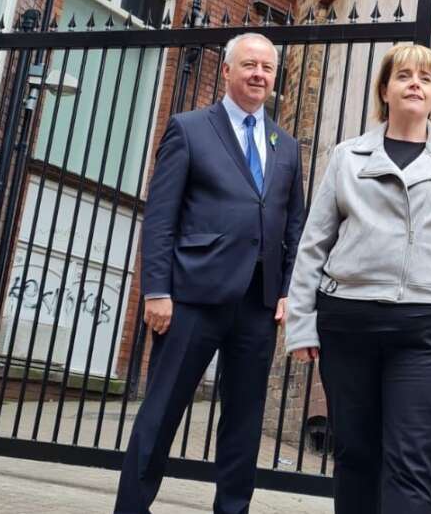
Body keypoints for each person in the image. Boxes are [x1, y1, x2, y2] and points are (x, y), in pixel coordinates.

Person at [285, 44, 431, 513]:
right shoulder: (348, 157)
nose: (414, 84)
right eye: (403, 75)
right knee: (354, 455)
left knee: (413, 460)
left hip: (426, 331)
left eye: (425, 79)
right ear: (384, 90)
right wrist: (301, 322)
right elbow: (314, 244)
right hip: (348, 325)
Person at [115, 33, 305, 514]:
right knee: (161, 414)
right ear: (227, 71)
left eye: (266, 67)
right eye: (249, 65)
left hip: (258, 306)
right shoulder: (190, 128)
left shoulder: (286, 146)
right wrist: (157, 289)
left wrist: (287, 290)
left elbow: (295, 224)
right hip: (192, 297)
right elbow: (161, 217)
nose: (259, 75)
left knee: (243, 424)